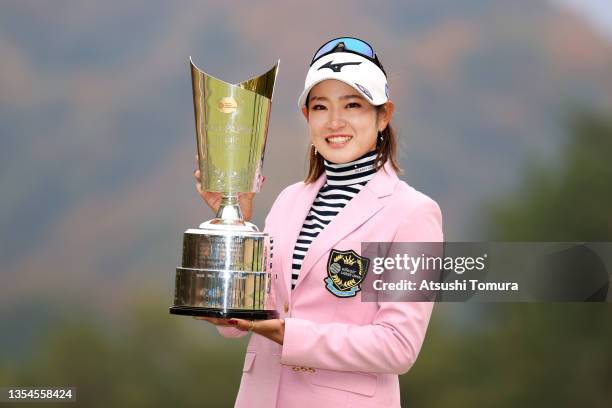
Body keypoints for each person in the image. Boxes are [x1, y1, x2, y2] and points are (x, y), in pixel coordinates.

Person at [194, 37, 443, 408]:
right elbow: (252, 312)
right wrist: (233, 225)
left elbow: (398, 346)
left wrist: (290, 335)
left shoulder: (414, 213)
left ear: (383, 115)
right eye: (321, 106)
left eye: (353, 105)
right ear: (307, 117)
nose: (335, 121)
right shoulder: (288, 200)